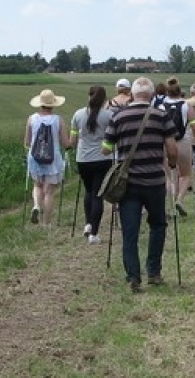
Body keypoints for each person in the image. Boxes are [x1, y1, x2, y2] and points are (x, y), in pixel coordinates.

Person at [102, 76, 178, 292]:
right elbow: (172, 148)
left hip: (129, 184)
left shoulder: (119, 117)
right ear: (152, 95)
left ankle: (133, 276)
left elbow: (106, 148)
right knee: (158, 225)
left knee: (130, 230)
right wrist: (171, 164)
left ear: (132, 94)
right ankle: (153, 272)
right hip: (154, 181)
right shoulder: (161, 116)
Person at [70, 84, 113, 243]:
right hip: (102, 159)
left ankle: (88, 223)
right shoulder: (109, 115)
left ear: (89, 96)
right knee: (97, 194)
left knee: (88, 191)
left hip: (83, 159)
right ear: (104, 99)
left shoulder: (78, 114)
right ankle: (94, 233)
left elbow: (73, 140)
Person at [24, 88, 72, 226]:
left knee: (38, 185)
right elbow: (65, 142)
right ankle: (47, 224)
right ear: (53, 104)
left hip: (35, 158)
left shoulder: (31, 119)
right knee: (49, 192)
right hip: (53, 159)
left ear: (40, 103)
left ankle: (36, 206)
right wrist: (70, 144)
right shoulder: (58, 120)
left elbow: (27, 142)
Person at [161, 76, 193, 215]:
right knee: (185, 175)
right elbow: (194, 124)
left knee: (169, 177)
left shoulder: (161, 106)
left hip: (167, 142)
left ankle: (170, 207)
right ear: (180, 92)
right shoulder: (186, 105)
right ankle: (180, 199)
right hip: (183, 141)